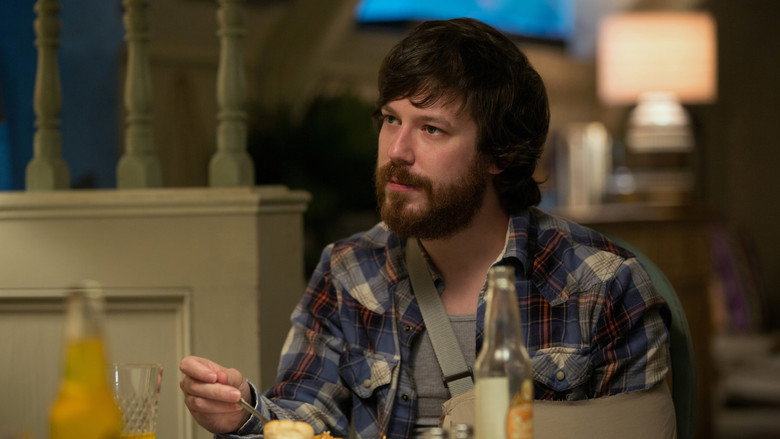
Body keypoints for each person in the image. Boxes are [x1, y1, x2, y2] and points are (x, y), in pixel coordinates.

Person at [179, 17, 672, 439]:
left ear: (500, 154)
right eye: (391, 120)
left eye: (432, 129)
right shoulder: (349, 270)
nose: (397, 151)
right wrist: (245, 413)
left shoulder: (602, 284)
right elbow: (303, 420)